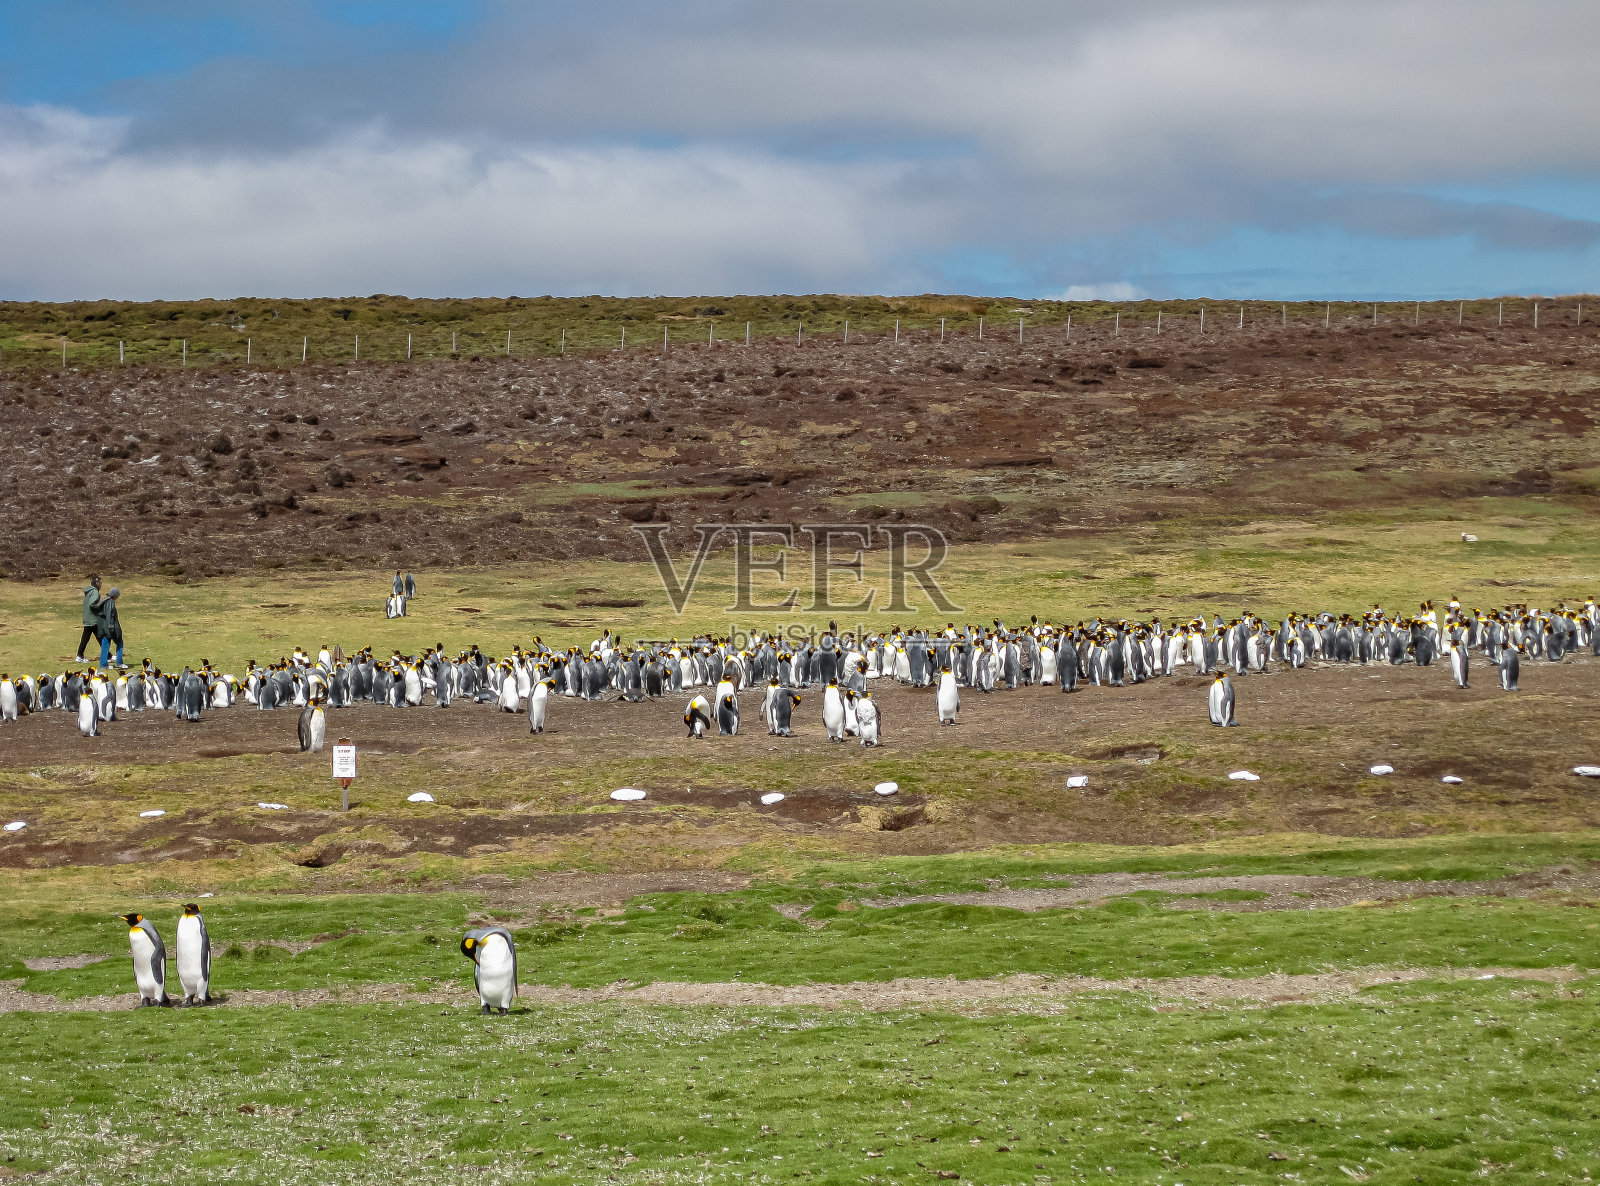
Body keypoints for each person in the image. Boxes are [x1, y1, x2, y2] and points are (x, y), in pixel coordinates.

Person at [75, 576, 103, 663]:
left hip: (88, 618)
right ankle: (79, 656)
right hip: (92, 619)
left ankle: (108, 655)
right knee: (97, 637)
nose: (101, 585)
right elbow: (92, 604)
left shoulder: (89, 591)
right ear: (97, 584)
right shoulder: (95, 592)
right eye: (101, 583)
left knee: (95, 637)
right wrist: (100, 605)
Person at [101, 587, 126, 669]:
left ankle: (103, 664)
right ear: (114, 595)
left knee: (105, 646)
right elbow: (109, 615)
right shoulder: (110, 602)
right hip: (110, 628)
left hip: (104, 627)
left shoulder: (105, 601)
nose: (117, 597)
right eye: (117, 596)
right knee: (120, 643)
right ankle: (119, 663)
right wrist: (111, 627)